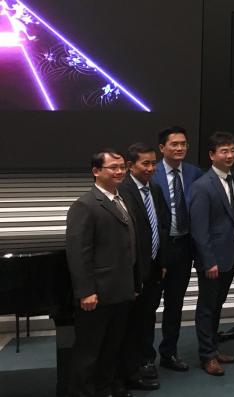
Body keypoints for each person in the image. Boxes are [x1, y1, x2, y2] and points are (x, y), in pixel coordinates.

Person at [66, 149, 136, 397]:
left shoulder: (122, 198)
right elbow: (78, 253)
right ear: (96, 171)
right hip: (97, 295)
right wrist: (86, 291)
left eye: (122, 167)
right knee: (88, 353)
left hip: (121, 291)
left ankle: (105, 390)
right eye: (113, 168)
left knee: (111, 349)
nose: (119, 172)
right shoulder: (85, 205)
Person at [117, 143, 170, 391]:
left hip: (153, 269)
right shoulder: (123, 192)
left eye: (153, 163)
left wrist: (162, 262)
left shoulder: (156, 189)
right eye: (145, 163)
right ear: (130, 166)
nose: (150, 168)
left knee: (147, 317)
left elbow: (161, 227)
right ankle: (131, 369)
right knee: (131, 323)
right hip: (133, 272)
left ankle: (146, 361)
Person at [190, 132, 234, 375]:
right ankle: (207, 356)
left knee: (217, 305)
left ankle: (213, 348)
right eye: (224, 151)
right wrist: (208, 261)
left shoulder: (233, 180)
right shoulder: (203, 185)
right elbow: (199, 230)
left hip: (229, 256)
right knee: (207, 307)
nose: (230, 155)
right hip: (212, 261)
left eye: (232, 150)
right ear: (212, 155)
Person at [152, 126, 204, 372]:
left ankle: (169, 353)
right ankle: (143, 356)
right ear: (162, 148)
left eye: (183, 143)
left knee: (175, 303)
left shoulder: (195, 173)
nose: (180, 148)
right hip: (158, 250)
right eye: (174, 144)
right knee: (150, 305)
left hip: (184, 246)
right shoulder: (151, 173)